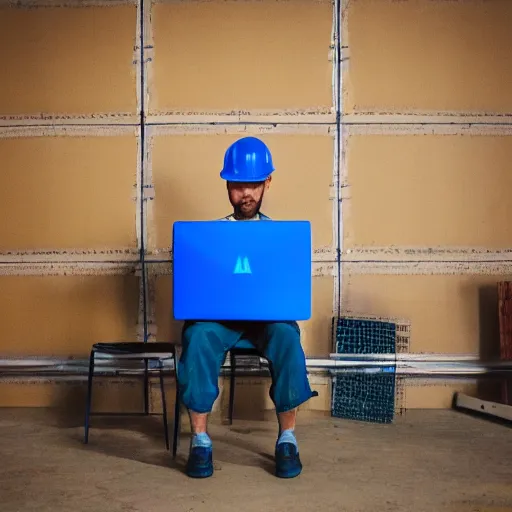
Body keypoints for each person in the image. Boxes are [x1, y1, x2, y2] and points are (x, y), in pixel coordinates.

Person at [177, 136, 317, 479]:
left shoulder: (278, 237)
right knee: (197, 336)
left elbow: (288, 287)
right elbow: (197, 287)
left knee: (287, 337)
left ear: (267, 182)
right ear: (227, 185)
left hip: (267, 318)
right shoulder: (211, 237)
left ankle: (287, 440)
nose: (246, 195)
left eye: (253, 185)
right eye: (238, 186)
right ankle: (200, 441)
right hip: (220, 319)